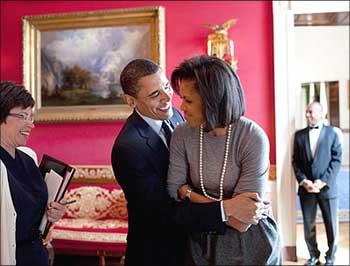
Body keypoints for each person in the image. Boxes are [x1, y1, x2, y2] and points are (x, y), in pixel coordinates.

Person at [111, 59, 270, 265]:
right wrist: (227, 208)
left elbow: (245, 213)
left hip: (205, 245)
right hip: (159, 253)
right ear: (131, 101)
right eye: (154, 94)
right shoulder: (128, 147)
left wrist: (187, 192)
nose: (169, 98)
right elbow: (164, 211)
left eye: (166, 87)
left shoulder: (177, 117)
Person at [167, 55, 282, 265]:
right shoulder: (181, 134)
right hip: (199, 240)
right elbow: (174, 191)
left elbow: (243, 221)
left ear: (213, 101)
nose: (181, 107)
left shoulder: (253, 137)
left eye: (188, 100)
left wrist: (189, 193)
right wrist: (229, 206)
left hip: (250, 244)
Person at [0, 81, 67, 266]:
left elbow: (36, 211)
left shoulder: (28, 158)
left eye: (31, 117)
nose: (31, 125)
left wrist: (52, 214)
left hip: (37, 255)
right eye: (23, 116)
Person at [293, 101, 342, 266]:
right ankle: (313, 256)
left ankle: (330, 257)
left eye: (311, 112)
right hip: (306, 190)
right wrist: (304, 181)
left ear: (321, 113)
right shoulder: (299, 136)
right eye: (306, 112)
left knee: (331, 225)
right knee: (308, 226)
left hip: (327, 189)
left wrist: (322, 182)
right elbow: (295, 162)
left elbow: (336, 161)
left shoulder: (332, 133)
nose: (307, 115)